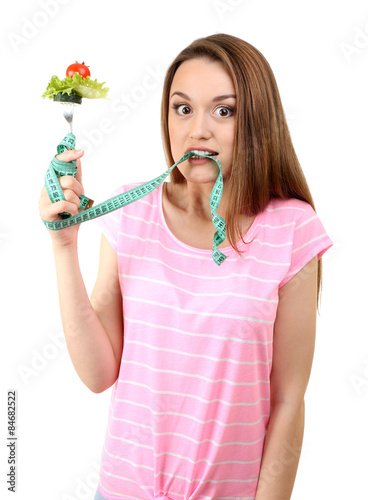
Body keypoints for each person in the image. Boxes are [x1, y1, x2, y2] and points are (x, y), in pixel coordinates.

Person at [39, 33, 333, 500]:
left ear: (257, 120)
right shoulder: (130, 212)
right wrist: (63, 246)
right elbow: (98, 374)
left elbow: (287, 402)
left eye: (224, 110)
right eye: (183, 108)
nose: (198, 130)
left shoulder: (292, 230)